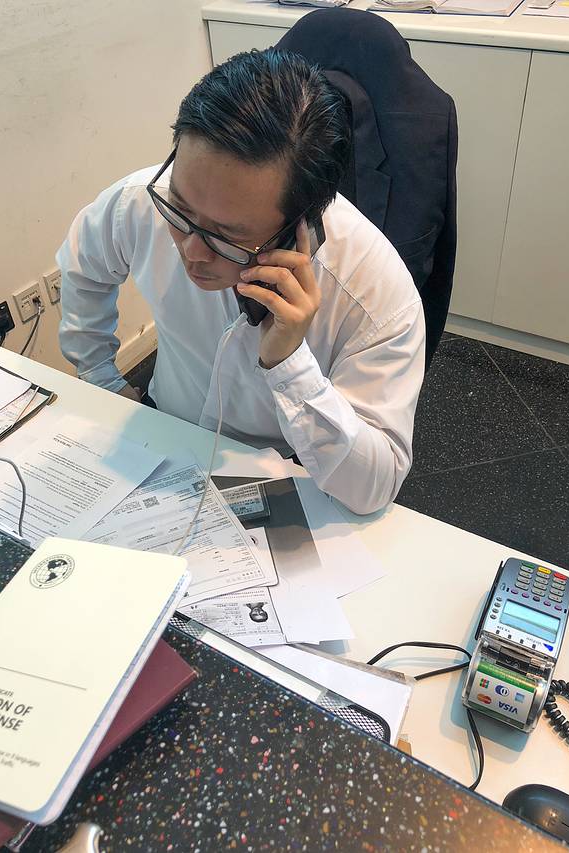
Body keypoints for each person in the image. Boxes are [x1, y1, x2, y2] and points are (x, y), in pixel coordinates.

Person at [57, 48, 425, 515]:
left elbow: (374, 487)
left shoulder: (374, 296)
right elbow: (84, 265)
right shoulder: (141, 200)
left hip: (288, 471)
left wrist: (289, 363)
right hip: (164, 428)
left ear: (301, 227)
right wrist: (101, 379)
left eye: (227, 236)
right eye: (181, 211)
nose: (193, 252)